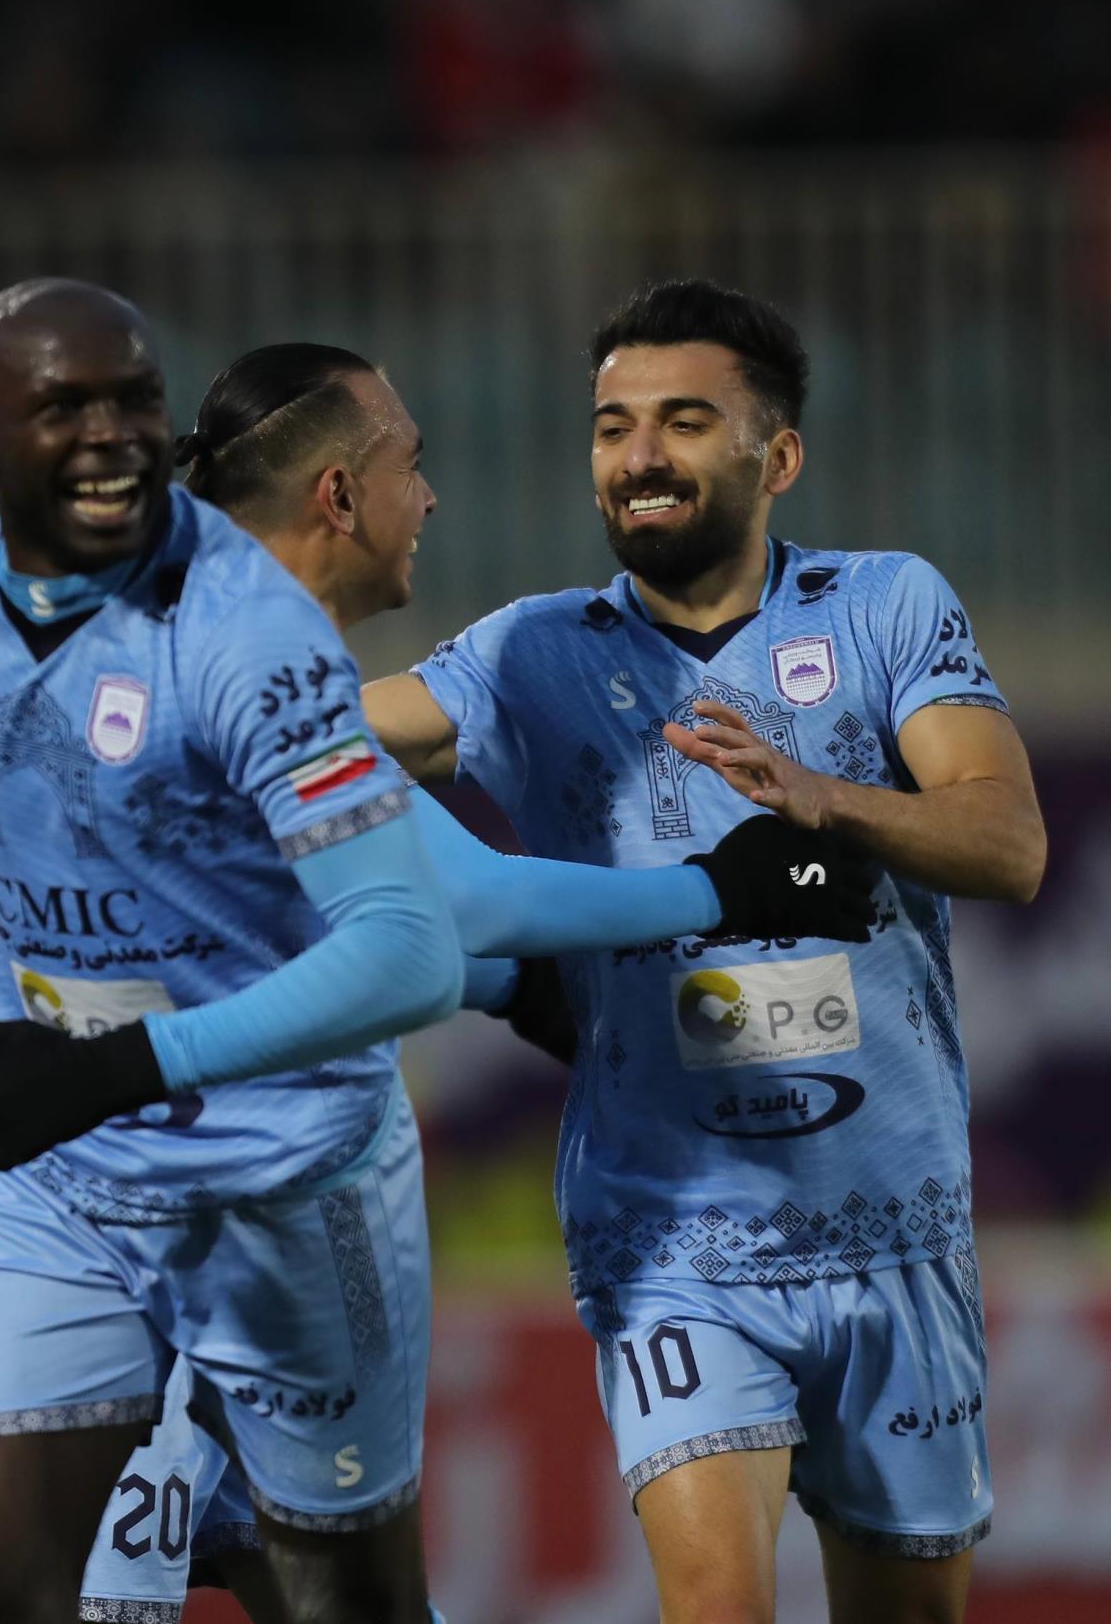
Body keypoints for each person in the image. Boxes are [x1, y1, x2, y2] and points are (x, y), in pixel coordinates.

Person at [0, 338, 879, 1622]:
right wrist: (724, 891)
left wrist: (501, 987)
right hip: (159, 1228)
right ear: (339, 496)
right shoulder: (216, 657)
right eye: (411, 466)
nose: (429, 498)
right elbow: (465, 895)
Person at [362, 278, 1046, 1624]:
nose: (639, 456)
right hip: (674, 1233)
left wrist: (826, 797)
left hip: (893, 1222)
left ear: (776, 457)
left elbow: (1008, 840)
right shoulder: (532, 652)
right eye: (612, 426)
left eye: (682, 421)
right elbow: (310, 733)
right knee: (717, 1602)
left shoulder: (883, 607)